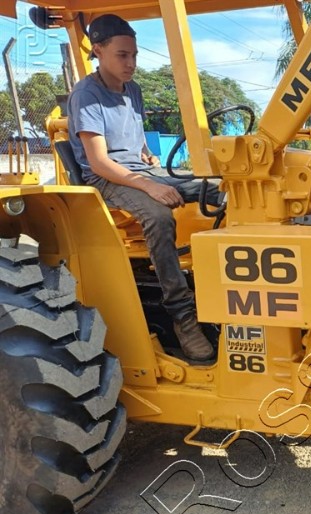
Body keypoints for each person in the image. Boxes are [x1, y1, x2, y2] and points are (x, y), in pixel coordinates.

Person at [68, 14, 218, 363]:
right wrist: (149, 186)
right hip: (107, 179)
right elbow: (99, 162)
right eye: (122, 55)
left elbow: (134, 139)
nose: (131, 63)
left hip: (139, 170)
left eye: (134, 55)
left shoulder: (132, 89)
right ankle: (184, 318)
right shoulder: (86, 95)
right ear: (98, 50)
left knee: (219, 190)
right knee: (159, 216)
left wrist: (148, 155)